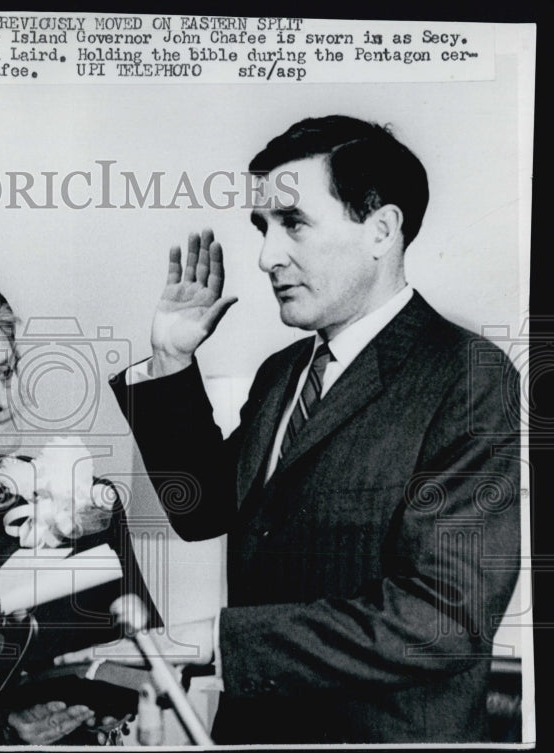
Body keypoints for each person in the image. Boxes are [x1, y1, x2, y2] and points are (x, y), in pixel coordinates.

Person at [62, 115, 521, 743]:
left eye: (294, 223)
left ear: (381, 229)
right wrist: (170, 359)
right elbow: (200, 509)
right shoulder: (283, 372)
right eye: (263, 227)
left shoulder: (466, 374)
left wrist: (220, 639)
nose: (265, 256)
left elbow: (443, 616)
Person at [0, 282, 159, 745]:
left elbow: (148, 648)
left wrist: (114, 702)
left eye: (7, 371)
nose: (3, 399)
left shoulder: (84, 495)